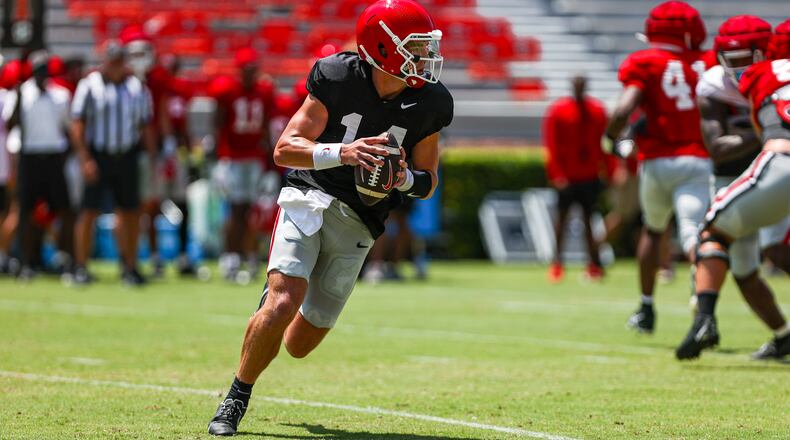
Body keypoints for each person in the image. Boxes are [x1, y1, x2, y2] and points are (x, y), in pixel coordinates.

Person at [206, 0, 452, 435]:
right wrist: (343, 152)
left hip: (362, 220)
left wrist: (401, 180)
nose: (426, 56)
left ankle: (270, 316)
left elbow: (429, 179)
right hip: (311, 195)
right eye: (416, 46)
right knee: (283, 302)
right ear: (382, 47)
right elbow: (285, 148)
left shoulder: (430, 102)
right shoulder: (338, 75)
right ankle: (235, 396)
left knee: (300, 343)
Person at [676, 20, 790, 360]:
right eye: (730, 58)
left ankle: (704, 319)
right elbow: (718, 148)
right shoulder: (714, 83)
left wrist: (771, 134)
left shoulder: (766, 74)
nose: (738, 68)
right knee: (743, 269)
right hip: (741, 174)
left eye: (744, 58)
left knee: (722, 235)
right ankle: (784, 335)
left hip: (776, 166)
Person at [605, 1, 711, 334]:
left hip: (657, 161)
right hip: (699, 158)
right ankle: (704, 306)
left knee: (653, 229)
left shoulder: (644, 62)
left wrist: (611, 140)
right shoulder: (706, 62)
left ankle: (646, 308)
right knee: (696, 234)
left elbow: (623, 111)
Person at [70, 40, 156, 287]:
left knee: (129, 212)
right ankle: (81, 266)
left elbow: (144, 125)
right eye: (113, 61)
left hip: (127, 155)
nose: (117, 66)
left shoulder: (136, 87)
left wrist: (151, 158)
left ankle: (129, 266)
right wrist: (85, 158)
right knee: (89, 211)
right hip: (99, 155)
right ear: (105, 61)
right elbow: (78, 124)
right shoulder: (90, 85)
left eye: (120, 61)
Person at [2, 50, 75, 280]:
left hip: (53, 157)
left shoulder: (60, 96)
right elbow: (11, 123)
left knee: (63, 210)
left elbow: (68, 128)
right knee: (24, 212)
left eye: (44, 70)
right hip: (30, 157)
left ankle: (64, 257)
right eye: (37, 70)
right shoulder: (21, 94)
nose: (41, 75)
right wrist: (20, 96)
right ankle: (25, 260)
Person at [208, 48, 275, 284]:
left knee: (252, 212)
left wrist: (269, 162)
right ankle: (231, 257)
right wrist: (218, 157)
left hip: (254, 157)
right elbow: (218, 122)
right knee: (236, 209)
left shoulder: (264, 92)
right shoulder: (227, 90)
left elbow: (266, 127)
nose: (250, 74)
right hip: (233, 157)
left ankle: (250, 257)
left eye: (252, 70)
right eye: (246, 70)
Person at [543, 75, 607, 282]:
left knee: (589, 222)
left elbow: (603, 144)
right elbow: (551, 145)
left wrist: (608, 169)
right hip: (568, 177)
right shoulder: (559, 111)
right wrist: (557, 174)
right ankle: (557, 263)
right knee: (562, 221)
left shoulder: (597, 111)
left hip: (589, 175)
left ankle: (594, 264)